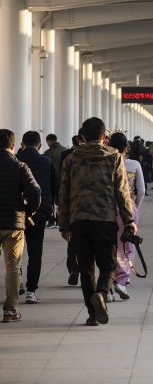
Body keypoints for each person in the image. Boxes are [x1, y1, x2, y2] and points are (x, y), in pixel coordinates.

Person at [58, 117, 136, 326]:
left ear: (82, 136)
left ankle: (92, 315)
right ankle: (101, 293)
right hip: (105, 220)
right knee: (108, 265)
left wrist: (63, 224)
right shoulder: (113, 157)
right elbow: (122, 191)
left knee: (86, 269)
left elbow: (63, 193)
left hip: (79, 221)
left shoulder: (71, 158)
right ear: (104, 137)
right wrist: (129, 220)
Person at [0, 129, 41, 323]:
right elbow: (35, 191)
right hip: (14, 224)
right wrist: (29, 211)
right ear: (14, 146)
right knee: (13, 267)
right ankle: (10, 310)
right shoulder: (20, 166)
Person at [16, 131, 58, 305]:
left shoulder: (14, 161)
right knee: (35, 252)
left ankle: (16, 283)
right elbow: (55, 187)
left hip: (15, 213)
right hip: (38, 213)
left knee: (14, 253)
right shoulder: (47, 161)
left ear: (22, 144)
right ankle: (31, 291)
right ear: (39, 145)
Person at [108, 133, 145, 302]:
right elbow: (142, 190)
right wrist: (135, 206)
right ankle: (121, 281)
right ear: (126, 148)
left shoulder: (106, 162)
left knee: (107, 246)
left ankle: (106, 286)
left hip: (107, 208)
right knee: (126, 244)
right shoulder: (134, 164)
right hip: (128, 208)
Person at [60, 132, 83, 285]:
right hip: (100, 212)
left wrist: (63, 222)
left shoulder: (68, 156)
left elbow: (64, 187)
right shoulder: (109, 156)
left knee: (73, 244)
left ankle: (74, 269)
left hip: (74, 209)